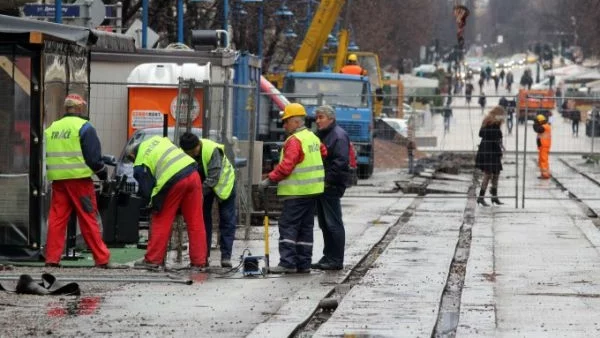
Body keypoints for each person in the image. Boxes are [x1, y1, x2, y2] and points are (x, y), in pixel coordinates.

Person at [44, 94, 111, 268]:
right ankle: (101, 258)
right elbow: (93, 159)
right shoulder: (84, 127)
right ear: (80, 108)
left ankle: (52, 258)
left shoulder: (52, 128)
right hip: (80, 181)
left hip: (58, 182)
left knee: (57, 220)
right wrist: (103, 174)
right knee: (88, 218)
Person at [259, 103, 326, 274]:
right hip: (312, 191)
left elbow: (286, 167)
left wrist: (269, 180)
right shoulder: (312, 137)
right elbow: (324, 153)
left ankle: (287, 263)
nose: (284, 125)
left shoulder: (295, 141)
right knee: (305, 228)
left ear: (296, 122)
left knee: (288, 226)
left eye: (286, 121)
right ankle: (303, 264)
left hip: (296, 192)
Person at [128, 136, 207, 270]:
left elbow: (147, 191)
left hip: (173, 180)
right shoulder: (158, 139)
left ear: (132, 154)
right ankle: (199, 262)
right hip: (193, 173)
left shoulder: (140, 161)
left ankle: (153, 260)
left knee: (161, 219)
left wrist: (152, 205)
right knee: (196, 221)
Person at [179, 132, 236, 268]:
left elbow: (213, 178)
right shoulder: (184, 153)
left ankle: (226, 257)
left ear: (198, 145)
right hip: (204, 186)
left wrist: (197, 193)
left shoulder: (211, 150)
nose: (191, 155)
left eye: (193, 152)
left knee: (227, 220)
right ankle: (203, 256)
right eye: (189, 153)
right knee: (203, 221)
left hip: (223, 184)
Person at [312, 105, 351, 271]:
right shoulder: (324, 135)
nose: (317, 121)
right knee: (325, 223)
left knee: (333, 223)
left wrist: (327, 181)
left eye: (321, 117)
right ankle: (328, 256)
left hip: (330, 186)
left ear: (331, 119)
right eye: (317, 117)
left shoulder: (337, 136)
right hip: (323, 185)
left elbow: (340, 162)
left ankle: (335, 259)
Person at [475, 106, 506, 206]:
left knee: (495, 173)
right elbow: (495, 140)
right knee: (488, 174)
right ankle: (481, 197)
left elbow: (481, 134)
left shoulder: (488, 122)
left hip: (486, 149)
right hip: (491, 151)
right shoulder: (493, 124)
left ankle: (494, 197)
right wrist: (500, 151)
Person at [533, 114, 552, 179]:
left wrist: (535, 125)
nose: (536, 123)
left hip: (544, 146)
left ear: (540, 121)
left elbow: (538, 130)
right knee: (542, 160)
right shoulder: (544, 126)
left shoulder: (545, 126)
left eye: (537, 122)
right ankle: (544, 173)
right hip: (542, 146)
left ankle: (545, 174)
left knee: (543, 160)